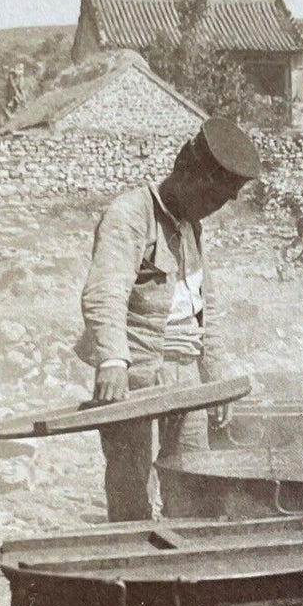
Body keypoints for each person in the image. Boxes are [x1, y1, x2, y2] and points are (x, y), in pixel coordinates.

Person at [78, 117, 261, 521]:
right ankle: (137, 573)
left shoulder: (192, 226)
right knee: (131, 486)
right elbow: (104, 291)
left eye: (218, 204)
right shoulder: (129, 214)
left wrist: (217, 377)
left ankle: (190, 569)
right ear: (186, 172)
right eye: (207, 198)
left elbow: (203, 305)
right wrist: (112, 359)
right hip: (136, 373)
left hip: (185, 374)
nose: (209, 211)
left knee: (194, 477)